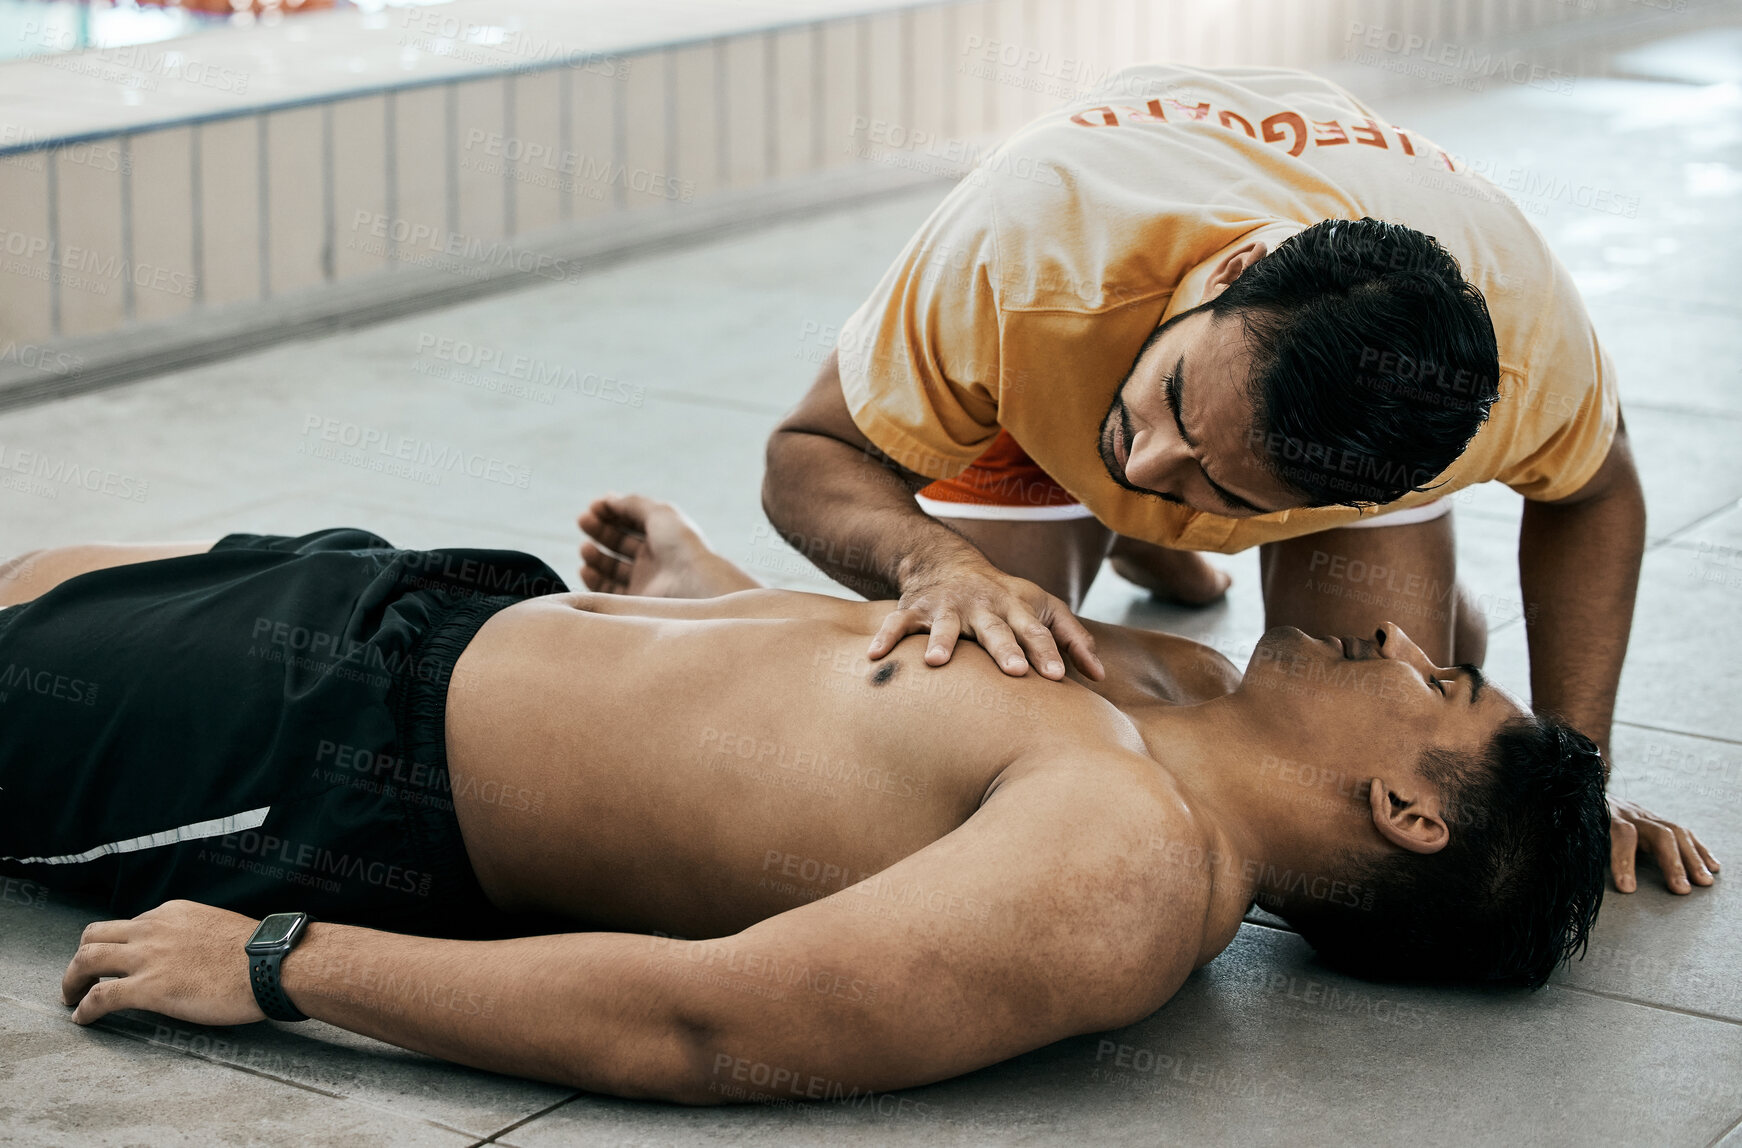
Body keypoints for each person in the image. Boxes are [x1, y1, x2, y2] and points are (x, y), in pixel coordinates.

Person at [2, 495, 1619, 1104]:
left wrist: (284, 960)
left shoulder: (1124, 864)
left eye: (1444, 687)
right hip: (422, 604)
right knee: (44, 573)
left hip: (332, 747)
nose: (1409, 638)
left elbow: (714, 1023)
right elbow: (859, 704)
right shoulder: (1172, 693)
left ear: (1407, 810)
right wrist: (716, 595)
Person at [760, 61, 1700, 894]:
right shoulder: (1030, 248)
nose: (1147, 461)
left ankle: (1170, 526)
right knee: (976, 695)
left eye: (1226, 485)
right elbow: (807, 453)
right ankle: (1155, 539)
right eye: (1174, 396)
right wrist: (933, 565)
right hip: (1043, 400)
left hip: (1289, 413)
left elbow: (1596, 496)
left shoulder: (1520, 367)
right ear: (1234, 273)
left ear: (1374, 490)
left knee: (1343, 744)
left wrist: (1576, 787)